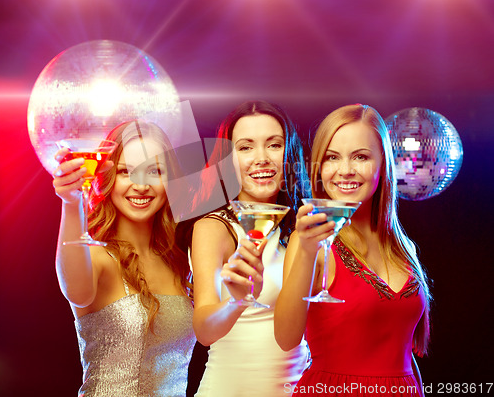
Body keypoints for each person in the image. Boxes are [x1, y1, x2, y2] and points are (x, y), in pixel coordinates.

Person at [275, 104, 431, 396]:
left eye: (360, 156)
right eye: (332, 157)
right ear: (320, 167)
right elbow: (286, 338)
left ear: (383, 163)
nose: (345, 170)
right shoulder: (310, 241)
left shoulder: (403, 246)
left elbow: (404, 355)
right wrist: (307, 252)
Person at [53, 120, 196, 397]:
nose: (140, 185)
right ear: (107, 179)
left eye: (154, 171)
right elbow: (77, 292)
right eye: (125, 172)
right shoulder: (97, 257)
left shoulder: (181, 261)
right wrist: (71, 202)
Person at [188, 101, 311, 396]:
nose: (261, 158)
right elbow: (204, 331)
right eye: (245, 148)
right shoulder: (214, 228)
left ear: (289, 154)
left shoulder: (303, 227)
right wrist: (237, 301)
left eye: (274, 145)